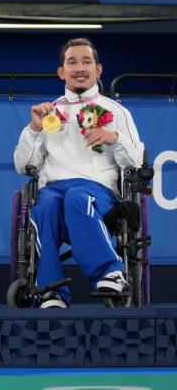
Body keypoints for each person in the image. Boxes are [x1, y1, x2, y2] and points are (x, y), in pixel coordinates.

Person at [13, 38, 144, 308]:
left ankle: (110, 273)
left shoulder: (116, 111)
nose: (79, 67)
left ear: (98, 70)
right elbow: (24, 165)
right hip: (54, 190)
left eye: (86, 61)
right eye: (71, 62)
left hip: (97, 190)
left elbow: (136, 161)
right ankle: (50, 290)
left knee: (76, 197)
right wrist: (35, 129)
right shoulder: (49, 113)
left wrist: (112, 137)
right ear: (61, 72)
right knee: (45, 206)